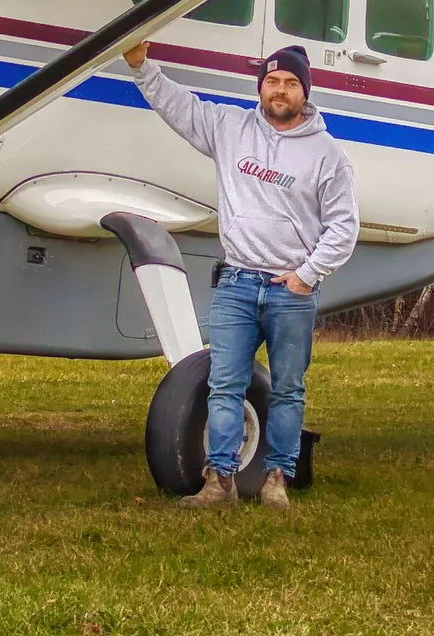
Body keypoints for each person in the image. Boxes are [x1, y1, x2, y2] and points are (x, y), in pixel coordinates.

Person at [122, 39, 358, 509]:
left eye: (290, 83)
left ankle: (277, 481)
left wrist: (308, 274)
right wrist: (141, 67)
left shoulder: (327, 155)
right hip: (236, 283)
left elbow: (344, 225)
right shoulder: (229, 128)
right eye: (272, 81)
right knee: (224, 385)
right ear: (261, 87)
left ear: (305, 92)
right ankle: (220, 482)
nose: (280, 90)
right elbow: (179, 108)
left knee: (287, 390)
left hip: (290, 291)